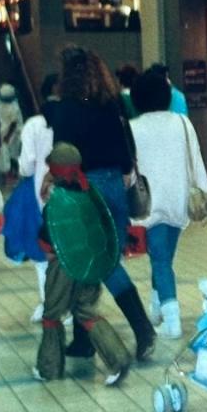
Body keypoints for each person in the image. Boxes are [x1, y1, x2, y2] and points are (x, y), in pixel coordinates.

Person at [49, 45, 155, 362]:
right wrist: (123, 173)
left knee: (100, 263)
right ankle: (84, 340)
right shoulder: (112, 103)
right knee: (94, 261)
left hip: (85, 188)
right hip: (114, 184)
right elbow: (126, 148)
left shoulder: (66, 108)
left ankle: (143, 328)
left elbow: (63, 154)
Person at [33, 142, 131, 385]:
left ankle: (49, 368)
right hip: (89, 265)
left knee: (52, 315)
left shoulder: (57, 202)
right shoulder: (89, 194)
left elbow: (48, 240)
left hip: (63, 267)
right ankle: (118, 360)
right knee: (87, 313)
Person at [130, 70, 207, 339]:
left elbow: (130, 170)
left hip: (148, 203)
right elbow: (195, 159)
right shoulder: (182, 122)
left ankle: (172, 320)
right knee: (162, 257)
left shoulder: (133, 127)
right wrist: (205, 194)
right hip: (178, 201)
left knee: (161, 260)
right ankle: (156, 308)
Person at [19, 74, 60, 323]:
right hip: (73, 194)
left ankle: (50, 303)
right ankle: (68, 305)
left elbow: (25, 166)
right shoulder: (77, 117)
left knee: (43, 254)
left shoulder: (34, 124)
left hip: (41, 196)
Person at [0, 83, 24, 180]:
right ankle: (6, 174)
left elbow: (14, 123)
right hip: (3, 133)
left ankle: (13, 173)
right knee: (4, 155)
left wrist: (8, 136)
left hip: (13, 134)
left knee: (13, 154)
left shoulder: (14, 106)